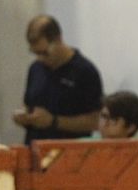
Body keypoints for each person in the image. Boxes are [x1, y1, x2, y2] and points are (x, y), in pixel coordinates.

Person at [13, 15, 103, 144]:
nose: (40, 59)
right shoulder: (35, 68)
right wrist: (24, 117)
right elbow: (29, 105)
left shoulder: (85, 71)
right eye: (36, 53)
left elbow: (95, 121)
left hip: (69, 153)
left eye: (44, 53)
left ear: (58, 39)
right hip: (35, 149)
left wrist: (53, 121)